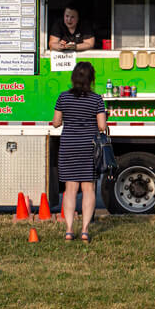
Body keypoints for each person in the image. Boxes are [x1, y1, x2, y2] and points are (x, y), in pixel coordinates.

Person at [50, 62, 106, 241]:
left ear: (74, 77)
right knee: (88, 188)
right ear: (91, 79)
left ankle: (68, 230)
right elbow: (102, 126)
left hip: (69, 146)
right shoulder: (96, 99)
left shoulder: (63, 97)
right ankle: (85, 230)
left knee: (70, 188)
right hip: (88, 147)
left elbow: (56, 122)